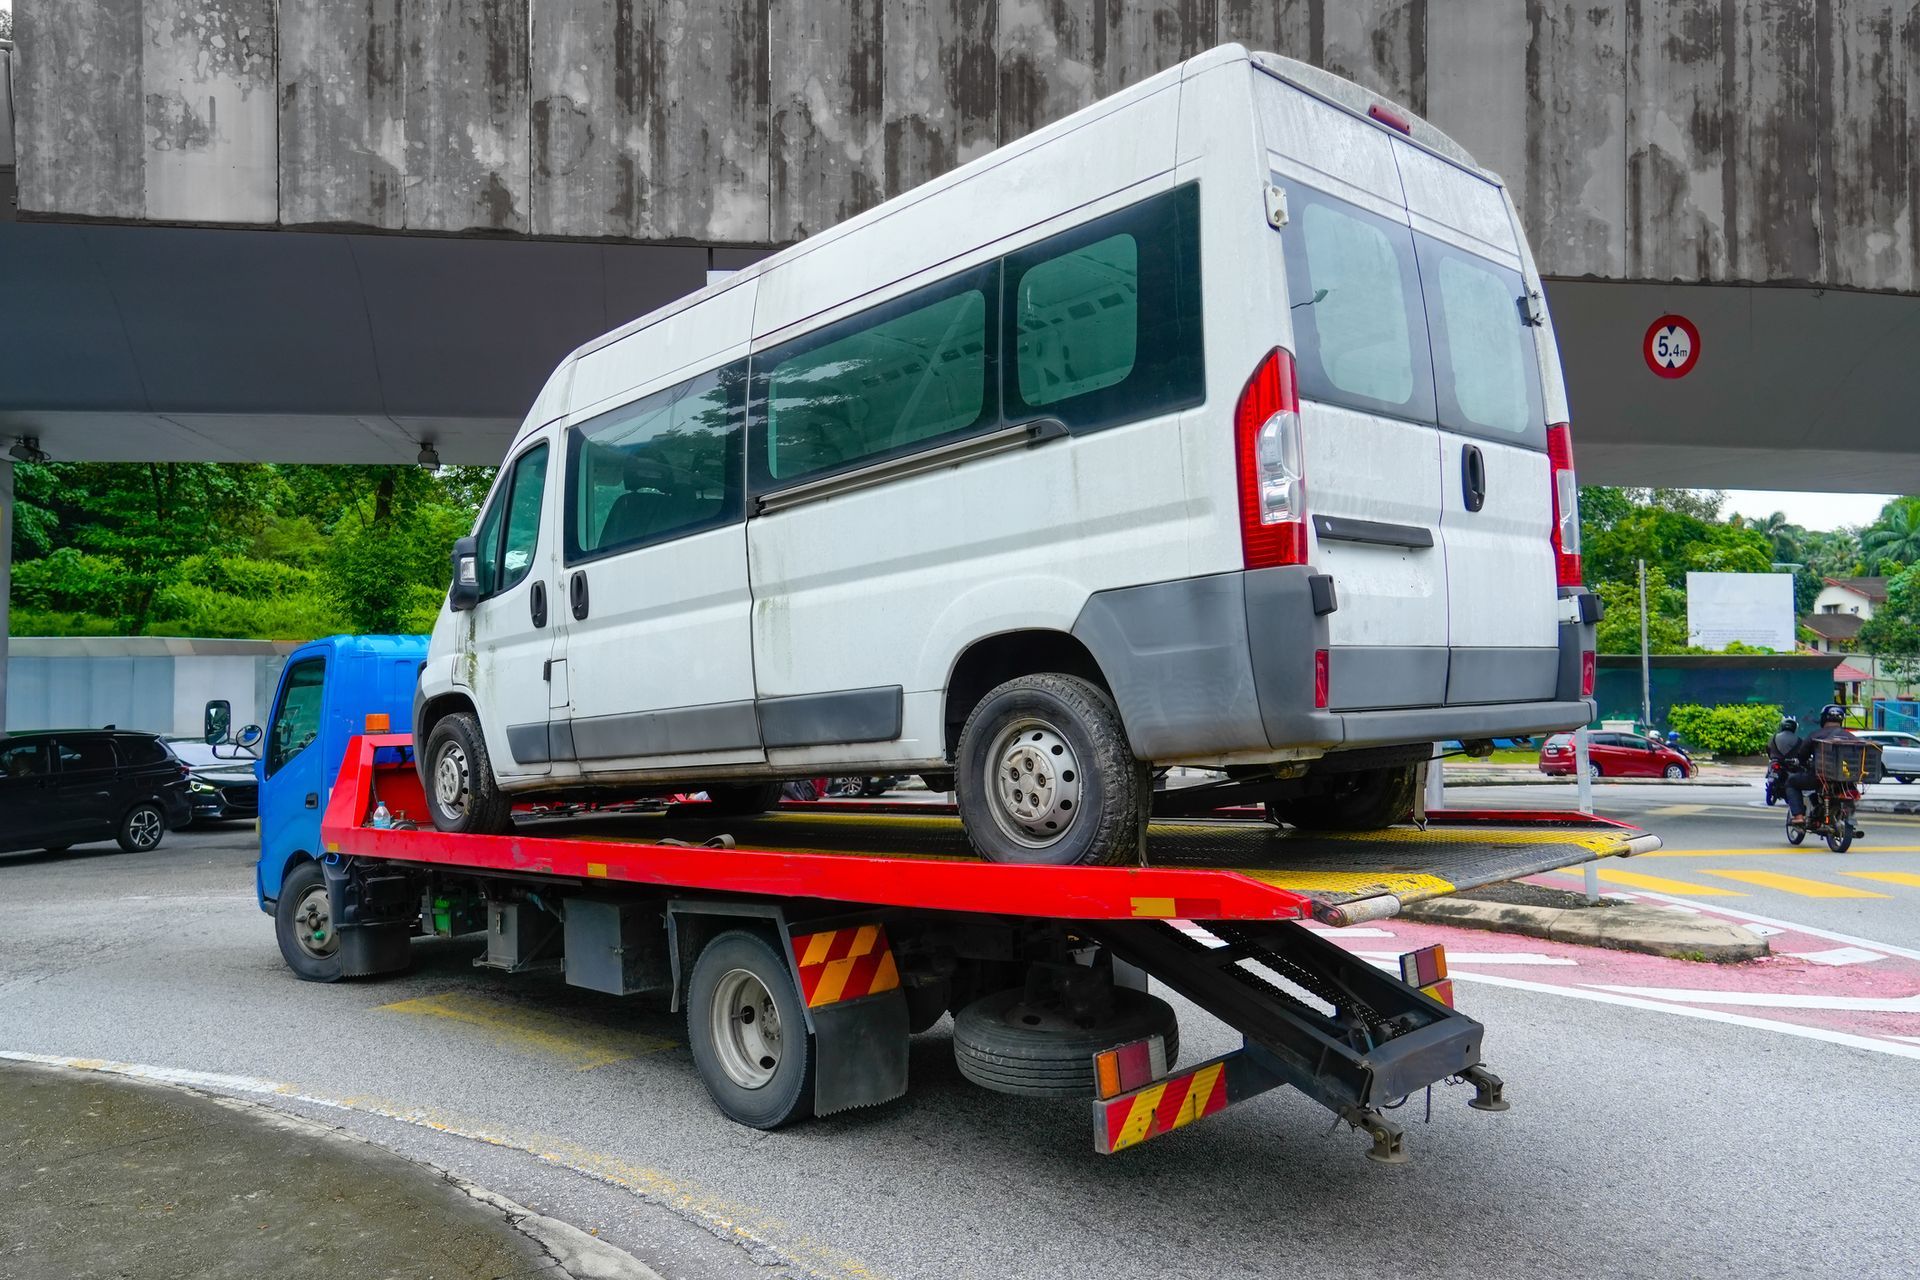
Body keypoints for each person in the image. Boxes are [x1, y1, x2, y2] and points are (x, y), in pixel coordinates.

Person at [1783, 706, 1857, 826]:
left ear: (1823, 719)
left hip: (1819, 777)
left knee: (1791, 782)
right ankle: (1848, 815)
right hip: (1846, 778)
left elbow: (1802, 755)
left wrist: (1799, 762)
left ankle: (1798, 816)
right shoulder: (1852, 737)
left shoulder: (1815, 735)